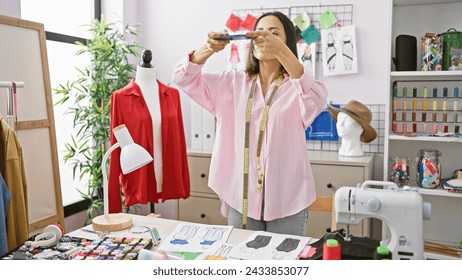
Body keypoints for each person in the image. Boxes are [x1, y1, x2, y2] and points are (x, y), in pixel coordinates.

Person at [172, 12, 328, 236]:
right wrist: (208, 49)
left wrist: (281, 52)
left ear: (287, 43)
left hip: (288, 200)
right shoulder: (230, 84)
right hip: (240, 197)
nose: (265, 38)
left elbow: (318, 98)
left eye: (273, 34)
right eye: (259, 33)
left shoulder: (299, 88)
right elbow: (182, 78)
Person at [108, 50, 190, 214]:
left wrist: (184, 181)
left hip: (166, 169)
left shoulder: (172, 95)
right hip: (138, 171)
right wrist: (113, 205)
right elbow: (116, 146)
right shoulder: (120, 97)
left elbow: (180, 140)